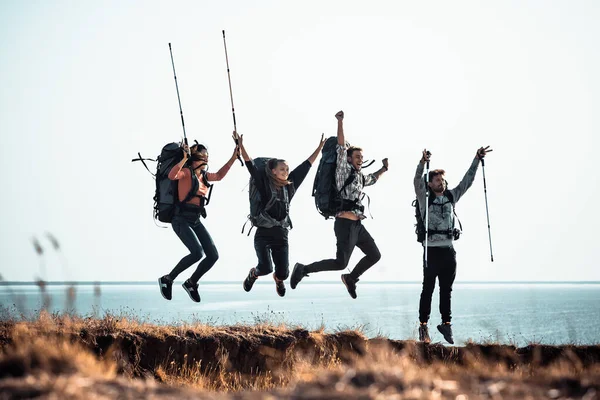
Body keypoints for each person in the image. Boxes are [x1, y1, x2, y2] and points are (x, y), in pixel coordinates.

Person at [290, 111, 389, 299]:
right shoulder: (343, 170)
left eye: (362, 157)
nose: (360, 159)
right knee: (340, 262)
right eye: (357, 156)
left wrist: (383, 169)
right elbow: (342, 147)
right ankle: (303, 269)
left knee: (374, 255)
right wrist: (340, 122)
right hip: (344, 224)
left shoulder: (359, 176)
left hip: (357, 225)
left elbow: (373, 179)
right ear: (350, 159)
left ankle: (351, 278)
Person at [415, 146, 492, 344]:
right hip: (431, 251)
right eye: (437, 180)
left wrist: (476, 159)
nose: (441, 183)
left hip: (449, 251)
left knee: (446, 290)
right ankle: (423, 326)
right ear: (430, 184)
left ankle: (446, 324)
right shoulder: (425, 199)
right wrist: (422, 162)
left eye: (443, 180)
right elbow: (417, 181)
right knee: (428, 289)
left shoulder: (451, 196)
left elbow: (468, 181)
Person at [238, 131, 326, 297]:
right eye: (282, 169)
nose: (286, 171)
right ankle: (253, 274)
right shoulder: (264, 186)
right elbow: (251, 166)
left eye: (287, 169)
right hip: (263, 233)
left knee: (283, 273)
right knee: (265, 268)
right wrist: (241, 146)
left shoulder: (289, 186)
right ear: (273, 171)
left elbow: (306, 166)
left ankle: (278, 280)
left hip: (281, 234)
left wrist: (319, 147)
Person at [158, 140, 240, 302]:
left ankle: (191, 283)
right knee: (197, 253)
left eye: (207, 157)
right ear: (195, 158)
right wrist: (183, 158)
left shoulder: (203, 176)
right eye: (203, 157)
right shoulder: (187, 172)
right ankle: (167, 279)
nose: (206, 159)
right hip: (180, 219)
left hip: (195, 220)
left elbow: (219, 176)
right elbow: (172, 175)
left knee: (213, 256)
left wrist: (233, 157)